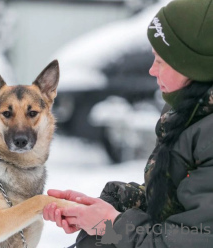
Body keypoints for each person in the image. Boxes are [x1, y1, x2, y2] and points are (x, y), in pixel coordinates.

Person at [43, 0, 213, 247]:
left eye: (161, 61)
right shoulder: (189, 111)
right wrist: (105, 209)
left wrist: (110, 224)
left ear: (192, 66)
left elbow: (192, 240)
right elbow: (170, 202)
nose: (152, 71)